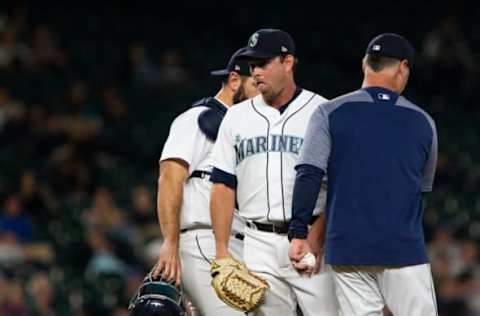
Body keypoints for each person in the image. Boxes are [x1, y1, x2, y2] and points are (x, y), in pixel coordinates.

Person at [288, 33, 438, 316]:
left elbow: (308, 173)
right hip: (402, 248)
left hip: (347, 247)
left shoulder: (328, 112)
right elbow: (422, 187)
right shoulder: (423, 122)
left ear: (365, 64)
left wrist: (299, 232)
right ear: (403, 67)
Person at [210, 28, 338, 316]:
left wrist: (316, 237)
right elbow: (222, 185)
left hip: (311, 237)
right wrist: (221, 251)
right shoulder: (236, 117)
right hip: (258, 243)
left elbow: (339, 185)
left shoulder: (323, 111)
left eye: (263, 63)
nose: (256, 72)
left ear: (288, 63)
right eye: (252, 65)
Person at [153, 47, 259, 316]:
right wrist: (170, 243)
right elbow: (169, 179)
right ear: (235, 81)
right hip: (204, 242)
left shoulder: (243, 129)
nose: (263, 93)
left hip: (238, 246)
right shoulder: (196, 119)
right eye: (256, 84)